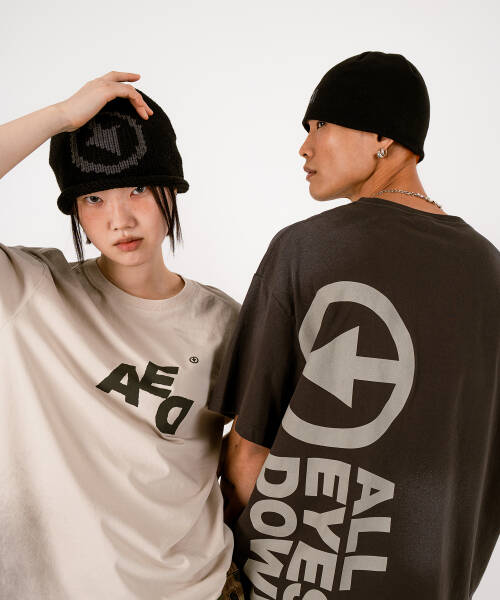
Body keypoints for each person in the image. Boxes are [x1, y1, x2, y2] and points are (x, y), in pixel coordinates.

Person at [209, 51, 500, 599]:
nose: (305, 147)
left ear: (382, 137)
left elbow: (248, 451)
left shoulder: (308, 249)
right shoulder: (489, 269)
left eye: (320, 125)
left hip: (294, 582)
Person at [0, 71, 244, 599]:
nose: (120, 219)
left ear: (171, 189)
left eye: (138, 189)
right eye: (93, 199)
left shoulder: (224, 323)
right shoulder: (29, 292)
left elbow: (250, 460)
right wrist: (59, 118)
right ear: (74, 209)